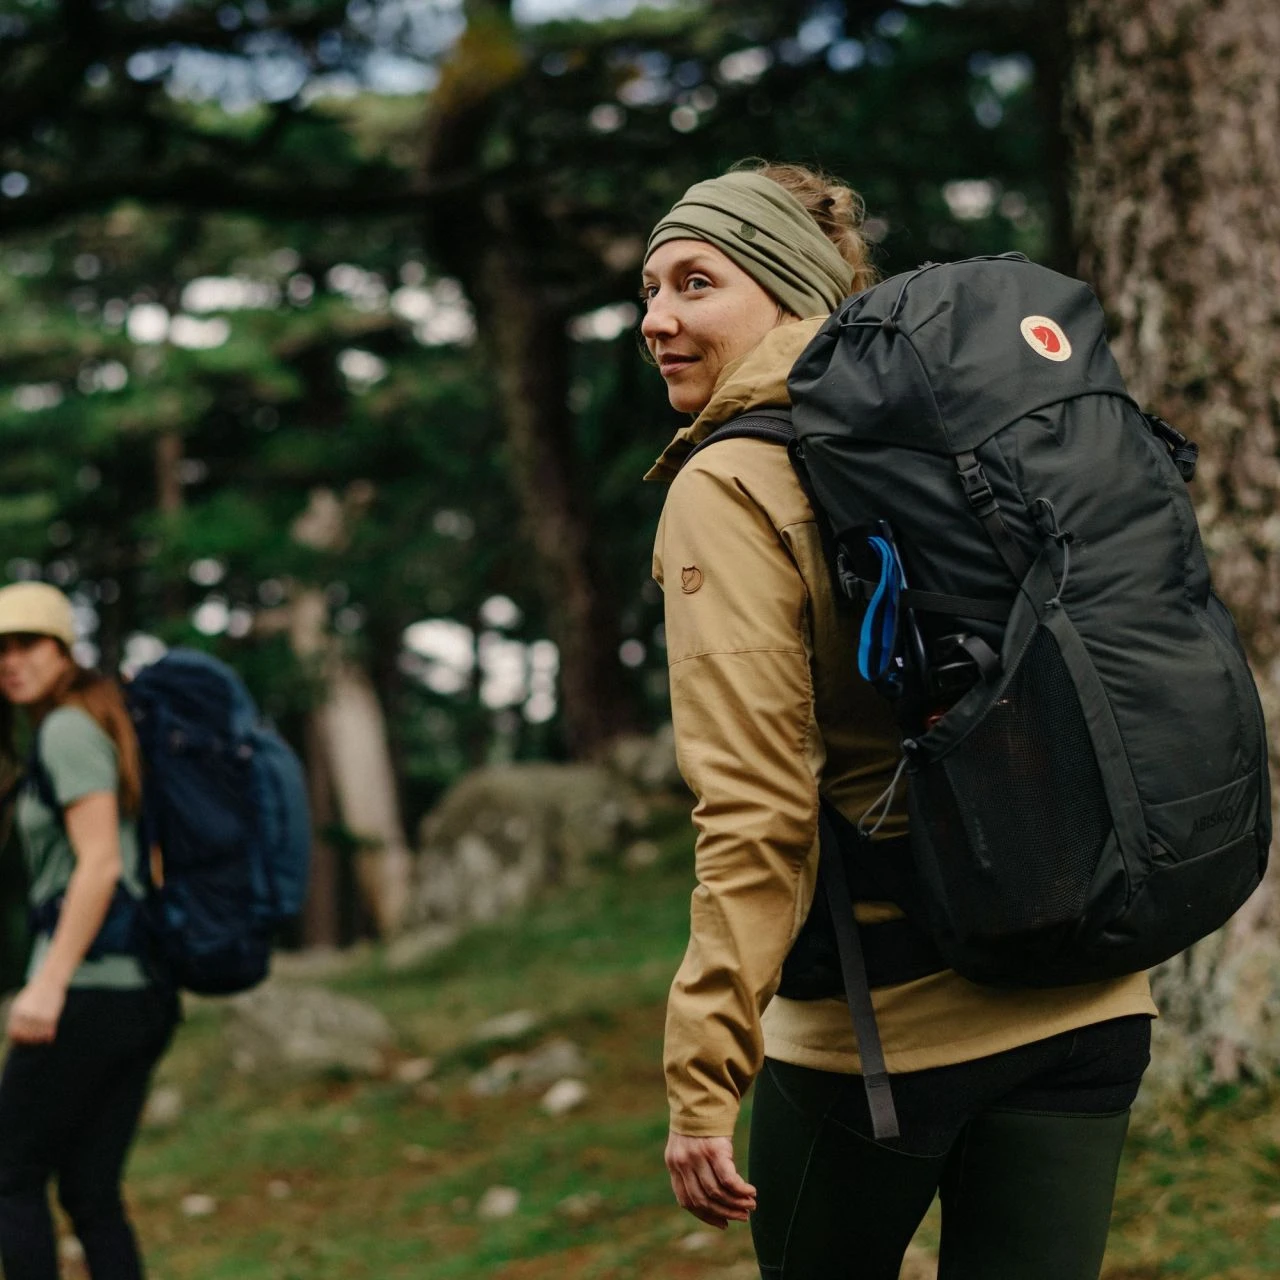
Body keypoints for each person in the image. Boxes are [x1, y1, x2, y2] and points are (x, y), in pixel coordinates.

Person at [642, 162, 1157, 1280]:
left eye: (695, 282)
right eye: (649, 289)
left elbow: (757, 810)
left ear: (789, 288)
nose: (656, 319)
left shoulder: (729, 485)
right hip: (1093, 990)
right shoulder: (967, 431)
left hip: (885, 1032)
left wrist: (701, 1078)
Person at [0, 582, 177, 1280]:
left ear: (63, 650)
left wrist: (47, 984)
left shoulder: (67, 731)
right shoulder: (96, 722)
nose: (11, 662)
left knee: (9, 1174)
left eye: (27, 645)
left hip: (87, 989)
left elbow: (100, 862)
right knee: (90, 1190)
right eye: (0, 650)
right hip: (137, 991)